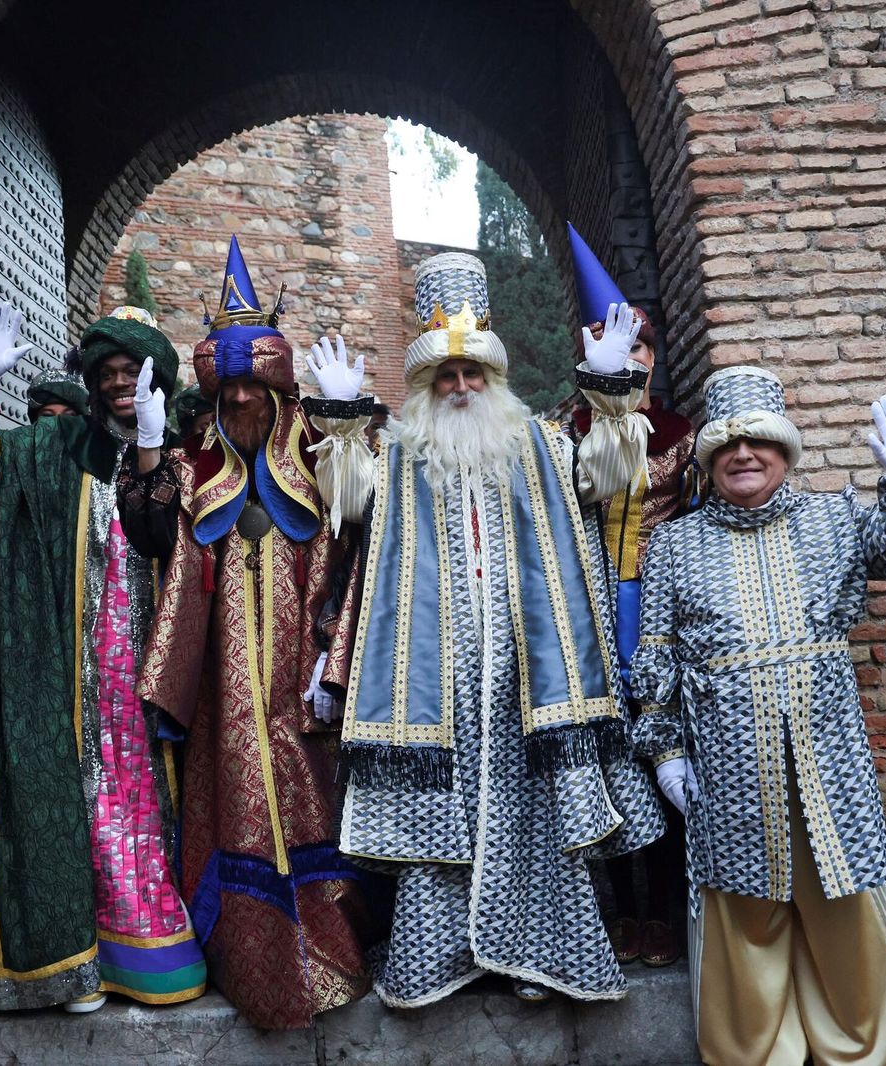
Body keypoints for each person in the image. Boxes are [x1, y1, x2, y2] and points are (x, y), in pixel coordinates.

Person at [306, 251, 666, 1007]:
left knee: (533, 809)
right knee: (442, 817)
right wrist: (339, 425)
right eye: (447, 376)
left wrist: (610, 399)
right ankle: (443, 956)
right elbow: (348, 500)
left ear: (494, 379)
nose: (463, 387)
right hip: (432, 675)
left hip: (527, 669)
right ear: (426, 384)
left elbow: (610, 477)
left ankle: (538, 954)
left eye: (474, 374)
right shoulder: (400, 451)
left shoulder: (540, 442)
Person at [631, 368, 886, 1065]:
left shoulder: (835, 518)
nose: (744, 456)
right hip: (727, 770)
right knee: (744, 924)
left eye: (760, 442)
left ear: (786, 453)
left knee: (846, 915)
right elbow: (656, 664)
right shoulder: (672, 546)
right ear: (708, 459)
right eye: (727, 446)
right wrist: (665, 753)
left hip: (830, 765)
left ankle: (866, 1053)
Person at [123, 236, 373, 1030]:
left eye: (252, 394)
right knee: (235, 814)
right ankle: (250, 963)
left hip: (306, 685)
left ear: (277, 393)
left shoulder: (316, 461)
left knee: (316, 814)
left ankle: (331, 958)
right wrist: (153, 449)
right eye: (226, 396)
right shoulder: (194, 470)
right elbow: (151, 536)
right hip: (228, 694)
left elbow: (359, 533)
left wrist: (345, 424)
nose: (238, 408)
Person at [0, 302, 207, 1012]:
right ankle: (74, 959)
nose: (118, 384)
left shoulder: (180, 459)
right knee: (79, 804)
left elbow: (166, 543)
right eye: (107, 372)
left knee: (141, 807)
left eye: (132, 371)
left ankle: (144, 948)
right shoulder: (50, 452)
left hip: (152, 674)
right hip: (66, 666)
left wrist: (150, 449)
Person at [562, 225, 697, 968]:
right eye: (617, 349)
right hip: (585, 611)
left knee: (668, 759)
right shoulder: (563, 432)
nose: (633, 360)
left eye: (641, 349)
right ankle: (618, 910)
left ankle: (671, 911)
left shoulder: (686, 436)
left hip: (659, 613)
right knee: (604, 761)